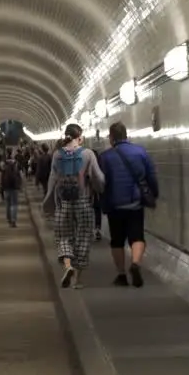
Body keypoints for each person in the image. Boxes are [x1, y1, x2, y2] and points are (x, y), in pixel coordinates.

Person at [97, 121, 159, 287]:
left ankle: (122, 275)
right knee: (137, 236)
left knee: (117, 240)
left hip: (114, 204)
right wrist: (153, 194)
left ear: (111, 138)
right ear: (126, 135)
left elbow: (100, 182)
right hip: (135, 202)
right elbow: (150, 176)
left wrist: (100, 200)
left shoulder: (105, 157)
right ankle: (136, 263)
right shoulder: (140, 152)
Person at [42, 125, 105, 288]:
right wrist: (100, 189)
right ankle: (78, 280)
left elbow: (52, 178)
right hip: (83, 202)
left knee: (63, 237)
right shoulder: (88, 154)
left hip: (63, 203)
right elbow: (97, 178)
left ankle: (68, 266)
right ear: (80, 137)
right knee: (83, 238)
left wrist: (48, 201)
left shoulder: (57, 155)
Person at [0, 150, 22, 227]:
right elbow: (19, 174)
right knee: (14, 204)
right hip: (15, 186)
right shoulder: (16, 163)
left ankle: (9, 219)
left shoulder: (3, 164)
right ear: (12, 154)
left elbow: (1, 176)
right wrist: (20, 185)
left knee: (8, 204)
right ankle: (13, 220)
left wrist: (1, 187)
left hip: (6, 186)